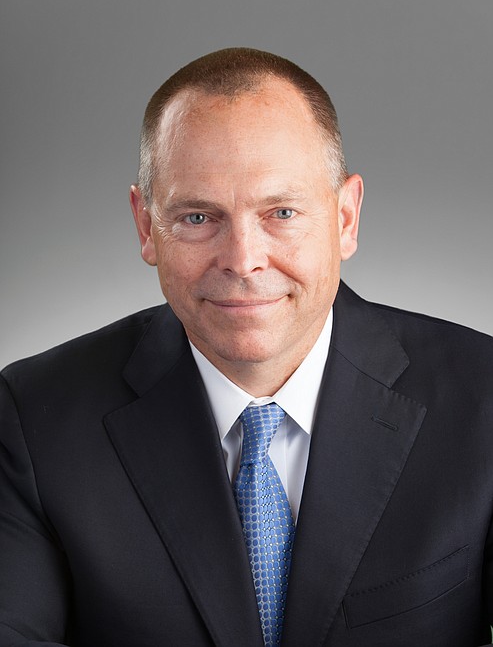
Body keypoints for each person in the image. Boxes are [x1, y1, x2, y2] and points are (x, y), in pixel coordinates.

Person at [0, 48, 492, 647]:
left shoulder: (483, 400)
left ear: (345, 218)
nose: (242, 260)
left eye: (281, 212)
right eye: (198, 217)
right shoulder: (31, 418)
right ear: (146, 226)